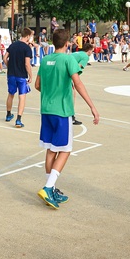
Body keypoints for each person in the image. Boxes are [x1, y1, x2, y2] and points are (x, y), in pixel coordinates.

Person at [35, 28, 100, 210]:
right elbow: (77, 84)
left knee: (50, 149)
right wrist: (92, 107)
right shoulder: (68, 59)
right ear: (67, 43)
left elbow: (37, 85)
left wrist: (50, 93)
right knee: (65, 150)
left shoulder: (45, 59)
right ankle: (48, 187)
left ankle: (52, 187)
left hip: (46, 110)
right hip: (62, 111)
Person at [4, 28, 35, 128]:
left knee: (11, 94)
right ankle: (18, 119)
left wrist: (9, 65)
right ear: (28, 36)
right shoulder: (26, 48)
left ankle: (8, 114)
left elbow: (5, 58)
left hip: (11, 74)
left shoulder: (12, 45)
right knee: (22, 96)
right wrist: (30, 75)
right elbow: (27, 64)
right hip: (21, 75)